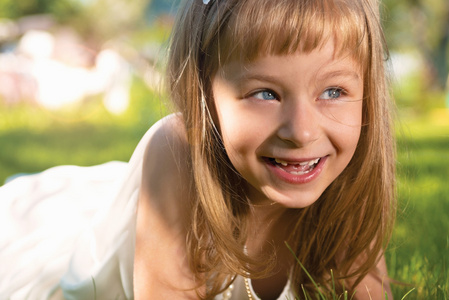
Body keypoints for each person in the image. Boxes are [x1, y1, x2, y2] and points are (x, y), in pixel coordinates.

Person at [0, 0, 396, 299]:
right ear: (204, 96)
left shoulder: (346, 178)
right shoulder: (176, 150)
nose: (302, 131)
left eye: (333, 91)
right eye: (265, 93)